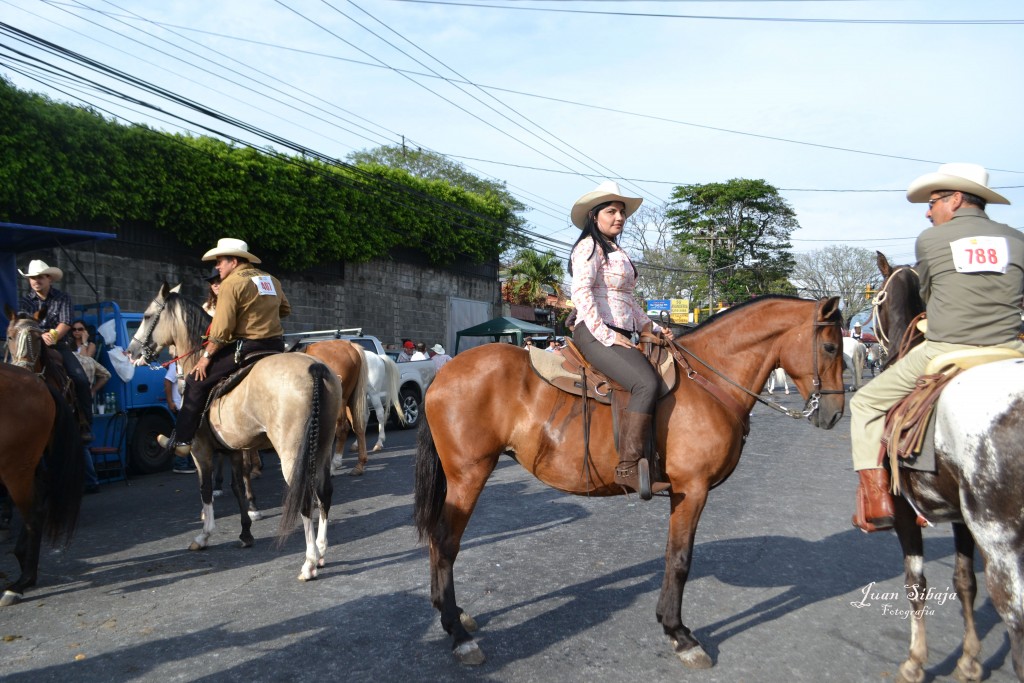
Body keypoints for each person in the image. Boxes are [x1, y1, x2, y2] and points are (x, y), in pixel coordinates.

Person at [849, 163, 1024, 532]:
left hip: (946, 349)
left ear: (956, 199)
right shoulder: (1017, 239)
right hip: (1010, 350)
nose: (928, 211)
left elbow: (928, 293)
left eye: (932, 203)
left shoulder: (930, 241)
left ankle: (877, 500)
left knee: (864, 403)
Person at [568, 180, 674, 499]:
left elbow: (628, 301)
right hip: (594, 331)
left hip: (621, 333)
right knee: (646, 384)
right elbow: (581, 293)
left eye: (622, 212)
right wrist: (605, 333)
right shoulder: (589, 246)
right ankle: (628, 467)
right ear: (594, 216)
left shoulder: (618, 251)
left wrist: (653, 327)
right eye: (611, 211)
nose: (619, 217)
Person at [157, 238, 291, 456]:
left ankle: (182, 441)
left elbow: (221, 330)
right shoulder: (271, 279)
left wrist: (206, 357)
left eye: (220, 261)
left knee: (194, 382)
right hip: (275, 346)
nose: (217, 267)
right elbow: (285, 310)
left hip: (247, 347)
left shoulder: (231, 283)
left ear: (234, 261)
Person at [18, 259, 94, 441]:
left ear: (49, 278)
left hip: (58, 345)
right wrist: (39, 335)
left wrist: (51, 336)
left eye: (40, 277)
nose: (36, 281)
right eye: (32, 278)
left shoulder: (62, 297)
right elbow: (24, 325)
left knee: (80, 379)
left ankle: (84, 424)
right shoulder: (25, 301)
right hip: (32, 345)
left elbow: (66, 322)